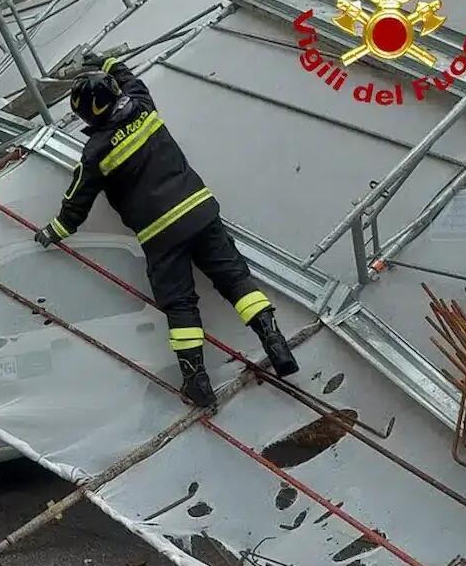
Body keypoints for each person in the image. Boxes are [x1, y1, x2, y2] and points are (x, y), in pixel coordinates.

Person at [34, 53, 299, 408]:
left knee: (180, 306)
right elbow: (128, 78)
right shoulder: (143, 105)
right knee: (235, 280)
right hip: (200, 210)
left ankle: (198, 384)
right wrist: (107, 61)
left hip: (162, 234)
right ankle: (275, 343)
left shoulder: (96, 152)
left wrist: (54, 231)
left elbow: (77, 201)